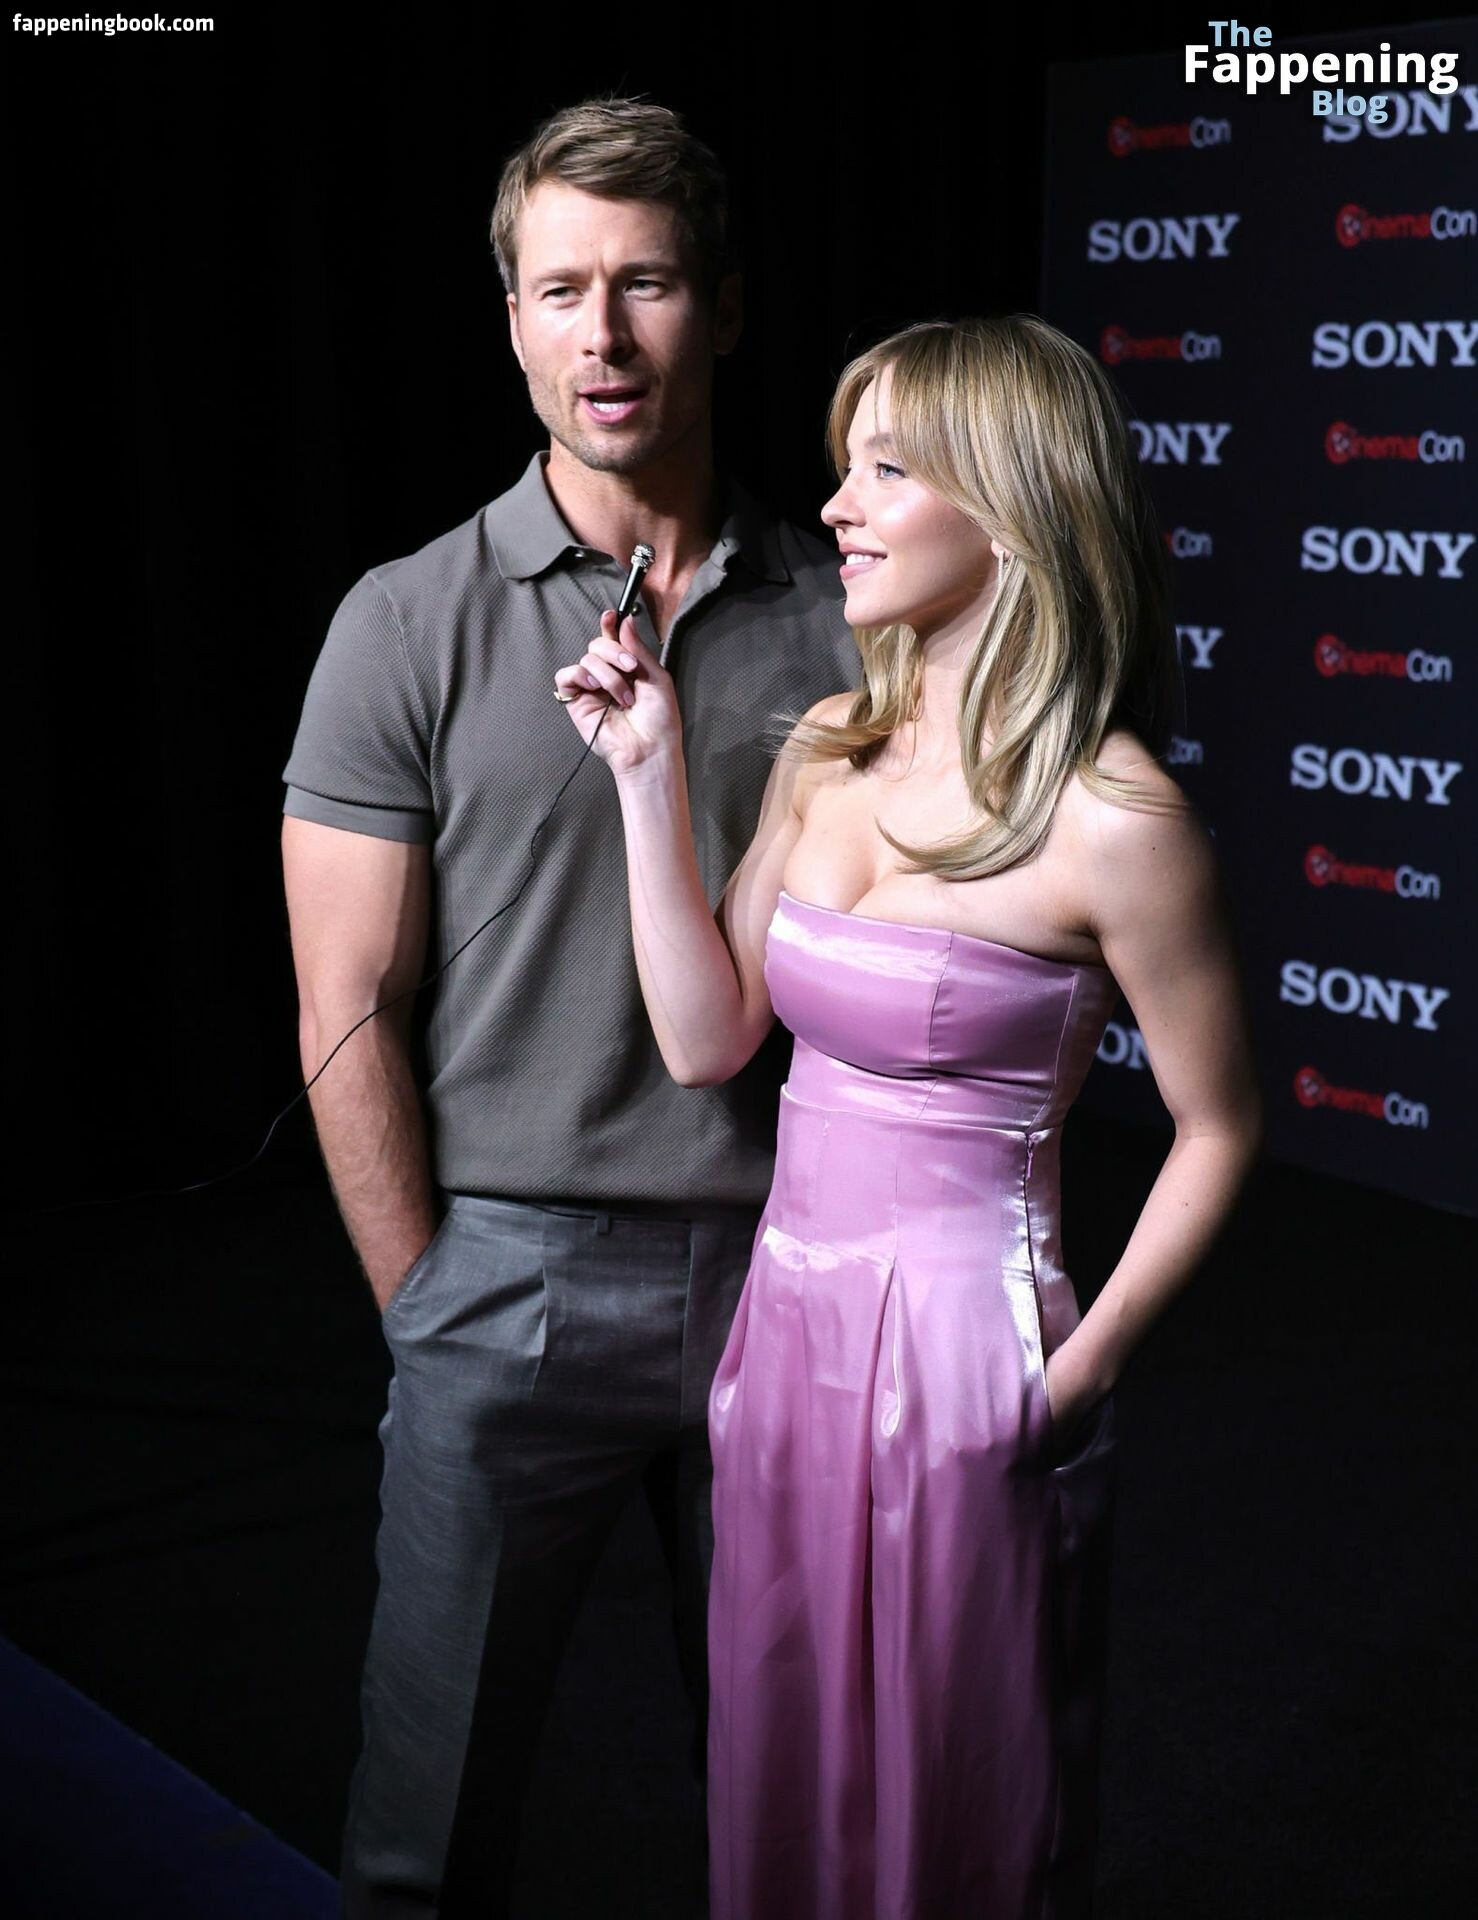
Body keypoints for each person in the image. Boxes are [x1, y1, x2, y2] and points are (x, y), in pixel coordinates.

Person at [554, 313, 1264, 1918]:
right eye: (842, 466)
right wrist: (646, 775)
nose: (836, 507)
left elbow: (1219, 1127)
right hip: (784, 1340)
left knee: (954, 1801)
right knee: (778, 1767)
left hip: (965, 1363)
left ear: (1009, 506)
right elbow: (705, 1041)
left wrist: (1069, 1377)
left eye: (884, 469)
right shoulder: (825, 748)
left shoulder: (1115, 819)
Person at [280, 98, 857, 1916]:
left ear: (725, 310)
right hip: (510, 1281)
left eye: (648, 284)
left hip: (789, 1282)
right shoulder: (405, 621)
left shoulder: (853, 621)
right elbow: (344, 998)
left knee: (802, 1811)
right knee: (425, 1837)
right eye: (559, 290)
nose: (602, 335)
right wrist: (428, 1308)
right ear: (514, 322)